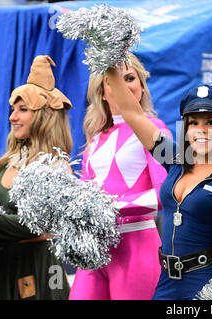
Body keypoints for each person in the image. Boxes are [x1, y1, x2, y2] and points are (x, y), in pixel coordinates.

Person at [104, 67, 212, 300]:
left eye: (210, 122)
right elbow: (133, 114)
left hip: (207, 283)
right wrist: (110, 65)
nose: (201, 130)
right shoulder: (173, 159)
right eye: (194, 123)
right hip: (166, 282)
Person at [69, 53, 169, 300]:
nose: (124, 85)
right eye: (114, 80)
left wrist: (112, 209)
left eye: (130, 78)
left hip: (137, 246)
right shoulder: (94, 139)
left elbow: (166, 192)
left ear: (142, 87)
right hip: (94, 251)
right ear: (102, 91)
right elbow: (83, 199)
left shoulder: (156, 129)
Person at [0, 55, 72, 299]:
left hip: (35, 270)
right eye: (13, 109)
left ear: (44, 116)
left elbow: (37, 226)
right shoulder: (6, 162)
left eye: (23, 110)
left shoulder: (55, 166)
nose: (12, 117)